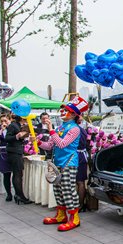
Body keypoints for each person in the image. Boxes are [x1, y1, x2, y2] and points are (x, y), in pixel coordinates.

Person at [39, 96, 88, 232]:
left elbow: (61, 144)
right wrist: (38, 143)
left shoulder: (75, 129)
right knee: (58, 190)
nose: (61, 112)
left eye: (64, 110)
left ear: (73, 114)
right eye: (61, 110)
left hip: (69, 163)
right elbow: (50, 146)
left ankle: (74, 218)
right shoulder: (60, 127)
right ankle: (61, 215)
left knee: (68, 190)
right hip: (57, 163)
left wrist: (51, 129)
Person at [4, 114, 32, 205]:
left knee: (18, 173)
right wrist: (17, 136)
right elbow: (7, 138)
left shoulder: (20, 126)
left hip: (18, 151)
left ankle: (18, 194)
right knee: (17, 174)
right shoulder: (13, 125)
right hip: (14, 152)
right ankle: (20, 195)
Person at [76, 116, 89, 212]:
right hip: (82, 156)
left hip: (78, 156)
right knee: (80, 181)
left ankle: (80, 204)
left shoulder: (76, 130)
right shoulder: (83, 130)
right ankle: (80, 203)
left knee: (80, 182)